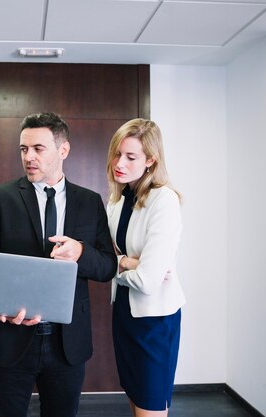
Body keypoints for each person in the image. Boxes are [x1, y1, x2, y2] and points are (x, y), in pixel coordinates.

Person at [0, 112, 117, 417]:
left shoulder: (90, 201)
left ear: (62, 151)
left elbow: (107, 267)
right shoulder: (0, 197)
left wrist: (81, 252)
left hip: (67, 345)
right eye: (24, 149)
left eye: (38, 149)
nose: (29, 157)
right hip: (10, 341)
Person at [106, 119, 186, 417]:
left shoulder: (164, 200)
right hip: (125, 312)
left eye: (130, 157)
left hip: (154, 319)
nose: (119, 163)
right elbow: (107, 258)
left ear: (151, 160)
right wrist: (126, 262)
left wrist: (118, 265)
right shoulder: (117, 198)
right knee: (134, 395)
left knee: (150, 406)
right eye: (117, 154)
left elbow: (149, 280)